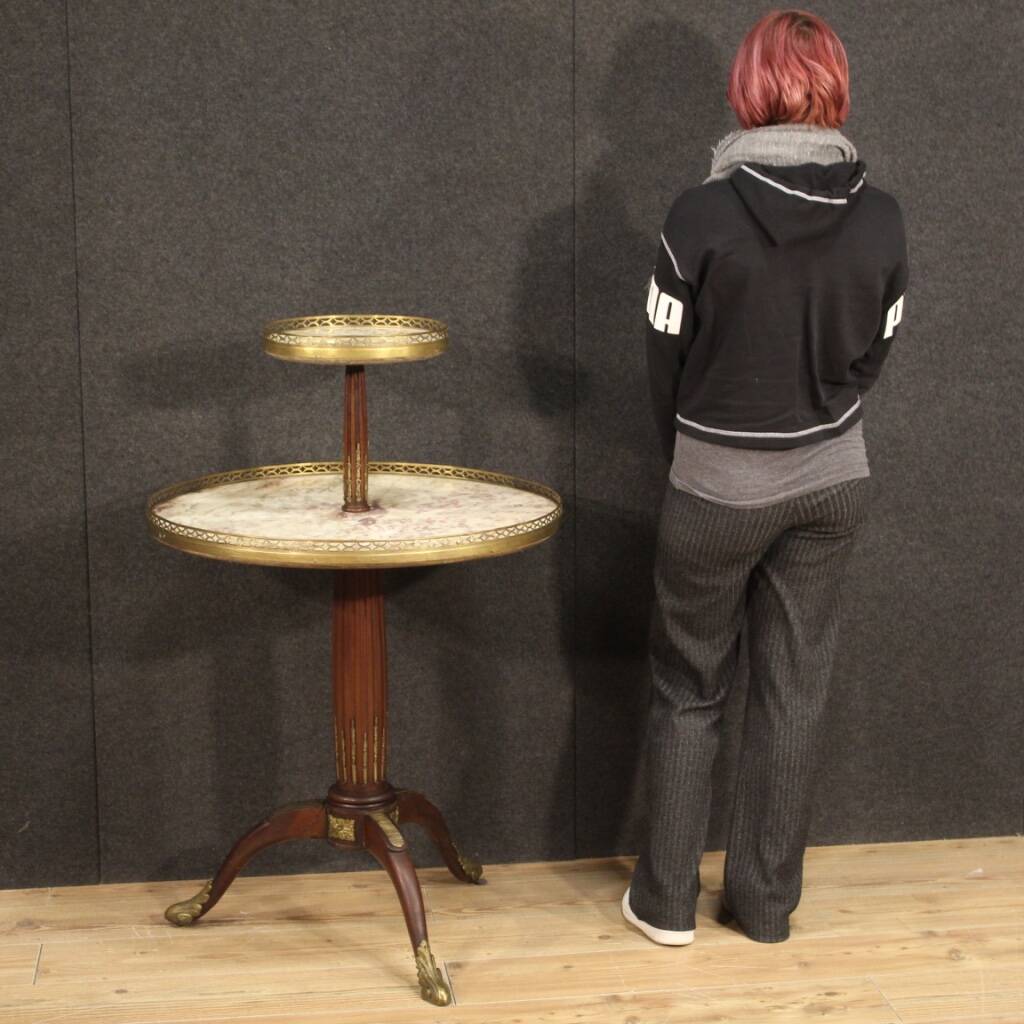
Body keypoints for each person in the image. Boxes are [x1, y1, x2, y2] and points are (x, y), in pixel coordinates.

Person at [621, 9, 910, 946]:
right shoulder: (884, 217)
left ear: (749, 91)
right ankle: (765, 908)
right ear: (834, 88)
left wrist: (690, 450)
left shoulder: (697, 215)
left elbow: (663, 360)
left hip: (713, 484)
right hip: (832, 483)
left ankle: (665, 906)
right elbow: (877, 349)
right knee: (795, 690)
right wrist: (827, 410)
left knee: (687, 687)